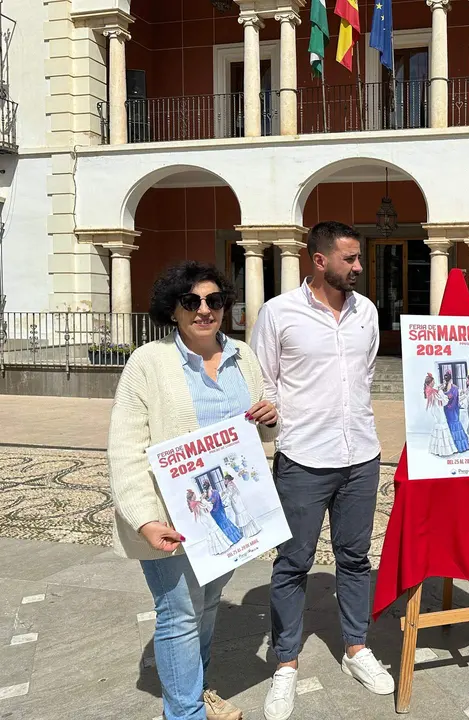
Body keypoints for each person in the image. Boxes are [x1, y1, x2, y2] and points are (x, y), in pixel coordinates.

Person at [107, 261, 278, 720]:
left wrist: (270, 418)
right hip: (170, 517)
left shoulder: (244, 355)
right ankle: (184, 712)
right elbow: (126, 450)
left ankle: (196, 688)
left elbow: (263, 433)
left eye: (214, 301)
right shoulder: (149, 362)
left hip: (226, 515)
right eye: (191, 302)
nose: (205, 310)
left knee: (205, 608)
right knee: (179, 613)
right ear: (174, 310)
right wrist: (144, 519)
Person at [251, 221, 393, 720]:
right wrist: (268, 409)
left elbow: (366, 373)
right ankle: (285, 663)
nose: (358, 267)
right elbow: (262, 380)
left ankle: (356, 648)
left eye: (358, 259)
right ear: (319, 260)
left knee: (355, 559)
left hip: (361, 456)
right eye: (350, 259)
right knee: (293, 562)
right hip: (303, 459)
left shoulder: (367, 312)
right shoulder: (278, 313)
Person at [424, 372, 457, 456]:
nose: (434, 383)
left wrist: (439, 390)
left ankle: (437, 449)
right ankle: (444, 450)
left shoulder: (429, 389)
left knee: (438, 426)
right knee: (442, 425)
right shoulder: (433, 391)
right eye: (433, 382)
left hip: (435, 410)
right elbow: (442, 401)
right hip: (438, 410)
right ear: (431, 382)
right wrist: (441, 391)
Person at [202, 480, 243, 544]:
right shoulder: (215, 492)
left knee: (221, 525)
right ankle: (236, 537)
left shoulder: (205, 496)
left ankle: (230, 540)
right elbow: (218, 501)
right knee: (226, 522)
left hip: (214, 513)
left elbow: (209, 504)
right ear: (209, 485)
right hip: (219, 510)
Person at [442, 372, 469, 453]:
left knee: (450, 426)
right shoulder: (455, 388)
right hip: (454, 410)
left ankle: (452, 447)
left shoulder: (443, 388)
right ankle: (461, 446)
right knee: (456, 425)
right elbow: (456, 400)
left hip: (447, 409)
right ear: (451, 379)